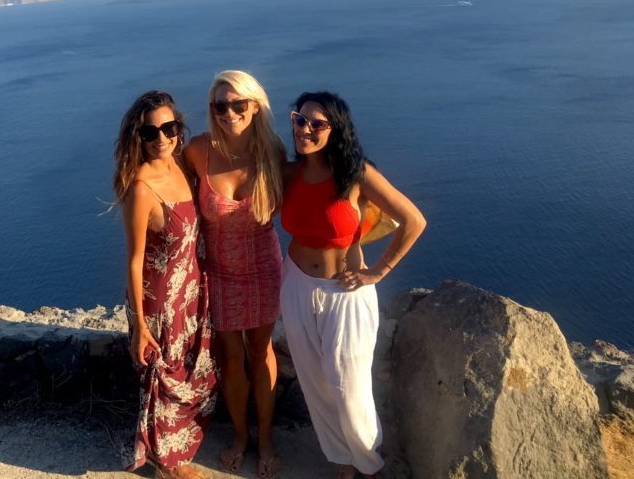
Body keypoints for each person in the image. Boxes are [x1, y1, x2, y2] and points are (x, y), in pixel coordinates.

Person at [280, 91, 426, 479]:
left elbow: (413, 220)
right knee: (314, 381)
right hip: (296, 285)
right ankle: (342, 461)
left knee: (348, 387)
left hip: (345, 293)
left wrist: (378, 271)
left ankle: (370, 463)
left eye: (317, 123)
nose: (305, 129)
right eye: (299, 119)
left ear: (335, 129)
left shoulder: (355, 174)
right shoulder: (289, 173)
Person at [184, 71, 285, 478]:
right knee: (230, 356)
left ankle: (266, 439)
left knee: (260, 353)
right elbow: (164, 185)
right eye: (219, 106)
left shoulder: (272, 152)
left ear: (254, 106)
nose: (228, 113)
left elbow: (313, 191)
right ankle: (241, 436)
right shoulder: (197, 151)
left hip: (263, 267)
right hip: (220, 272)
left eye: (237, 104)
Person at [114, 90, 217, 479]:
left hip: (190, 289)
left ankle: (178, 449)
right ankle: (166, 463)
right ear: (137, 137)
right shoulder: (141, 189)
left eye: (169, 128)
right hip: (158, 300)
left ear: (178, 129)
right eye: (150, 132)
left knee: (196, 371)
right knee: (165, 377)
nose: (161, 138)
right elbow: (135, 260)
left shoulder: (183, 166)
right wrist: (140, 325)